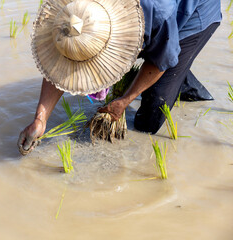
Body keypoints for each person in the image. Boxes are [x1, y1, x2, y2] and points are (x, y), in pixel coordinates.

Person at [18, 0, 222, 154]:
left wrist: (124, 101)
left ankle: (182, 78)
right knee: (163, 52)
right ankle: (176, 69)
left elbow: (159, 62)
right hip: (154, 23)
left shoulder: (158, 12)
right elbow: (61, 67)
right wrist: (40, 119)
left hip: (195, 13)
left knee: (149, 120)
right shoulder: (74, 12)